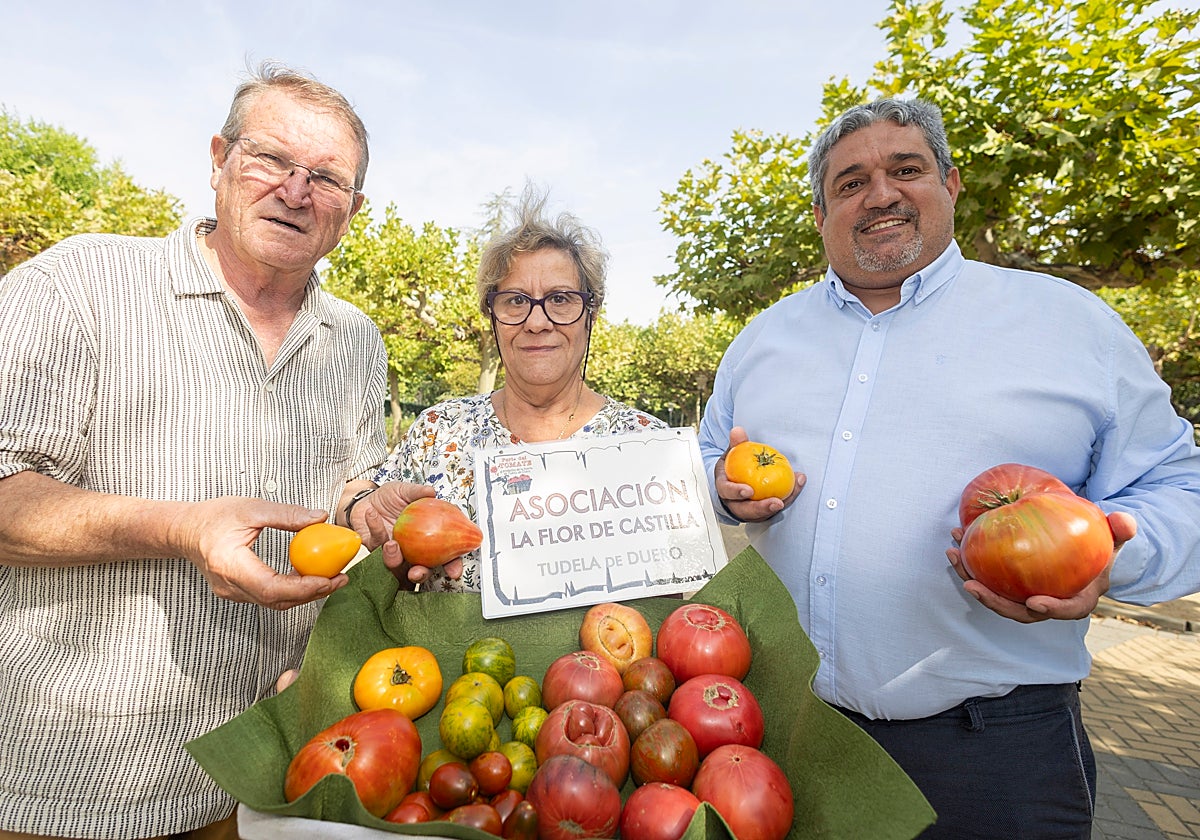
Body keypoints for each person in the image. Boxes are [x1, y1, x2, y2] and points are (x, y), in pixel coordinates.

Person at [698, 97, 1200, 839]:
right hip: (794, 739)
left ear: (952, 183)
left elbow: (1177, 486)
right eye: (850, 182)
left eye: (907, 169)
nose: (880, 194)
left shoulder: (1070, 324)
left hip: (998, 753)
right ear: (819, 214)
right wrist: (723, 489)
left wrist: (1114, 557)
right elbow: (711, 455)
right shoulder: (764, 340)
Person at [0, 63, 433, 839]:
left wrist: (366, 503)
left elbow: (342, 486)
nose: (296, 191)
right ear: (217, 160)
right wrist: (182, 527)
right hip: (68, 783)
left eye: (326, 179)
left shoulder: (357, 341)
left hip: (264, 778)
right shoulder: (81, 285)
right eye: (271, 158)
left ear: (353, 210)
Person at [350, 188, 668, 592]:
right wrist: (396, 559)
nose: (537, 321)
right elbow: (391, 564)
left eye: (561, 299)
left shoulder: (649, 445)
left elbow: (666, 599)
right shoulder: (438, 431)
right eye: (516, 300)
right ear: (492, 314)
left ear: (591, 312)